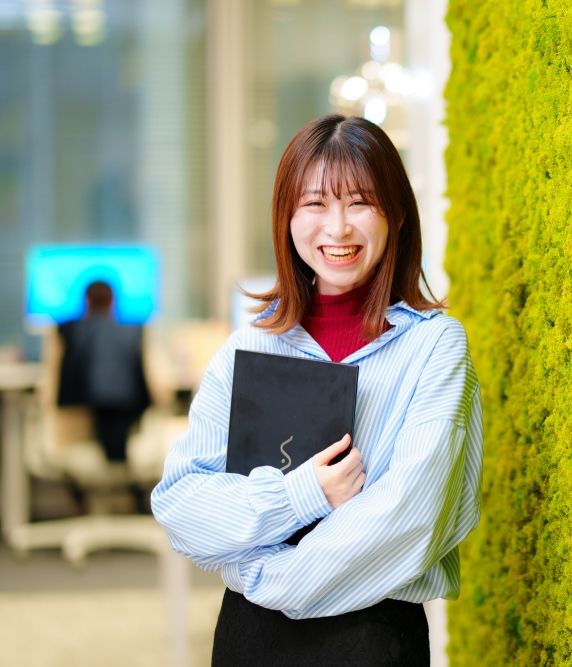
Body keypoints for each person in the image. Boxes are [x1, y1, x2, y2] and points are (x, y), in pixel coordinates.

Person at [152, 115, 483, 665]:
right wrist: (302, 494)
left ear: (396, 214)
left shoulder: (433, 347)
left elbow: (410, 517)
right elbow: (182, 504)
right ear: (286, 218)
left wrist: (261, 573)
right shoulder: (248, 349)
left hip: (371, 636)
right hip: (249, 636)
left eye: (359, 202)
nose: (338, 228)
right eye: (314, 205)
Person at [57, 279, 152, 464]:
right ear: (112, 301)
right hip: (128, 412)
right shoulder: (133, 331)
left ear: (87, 302)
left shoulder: (70, 330)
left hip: (82, 418)